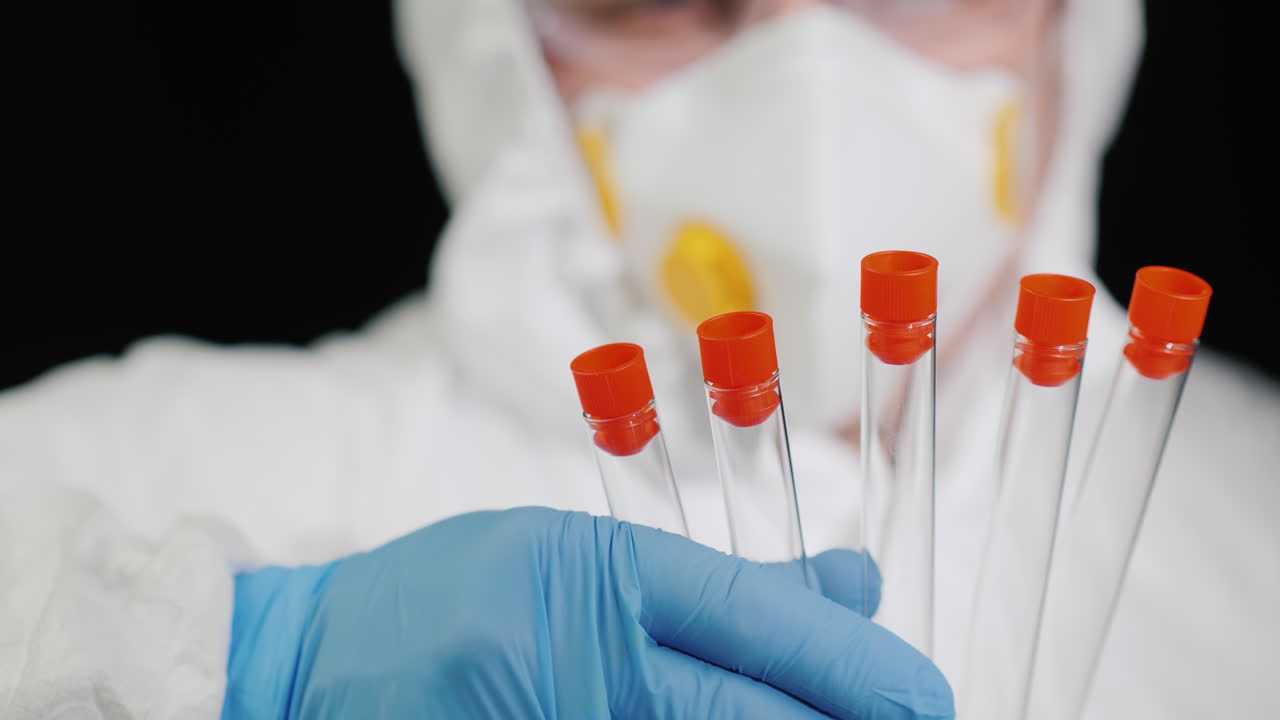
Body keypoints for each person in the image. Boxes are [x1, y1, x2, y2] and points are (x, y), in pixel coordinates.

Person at [1, 0, 1277, 718]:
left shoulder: (1253, 507)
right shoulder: (169, 465)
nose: (810, 76)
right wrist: (235, 656)